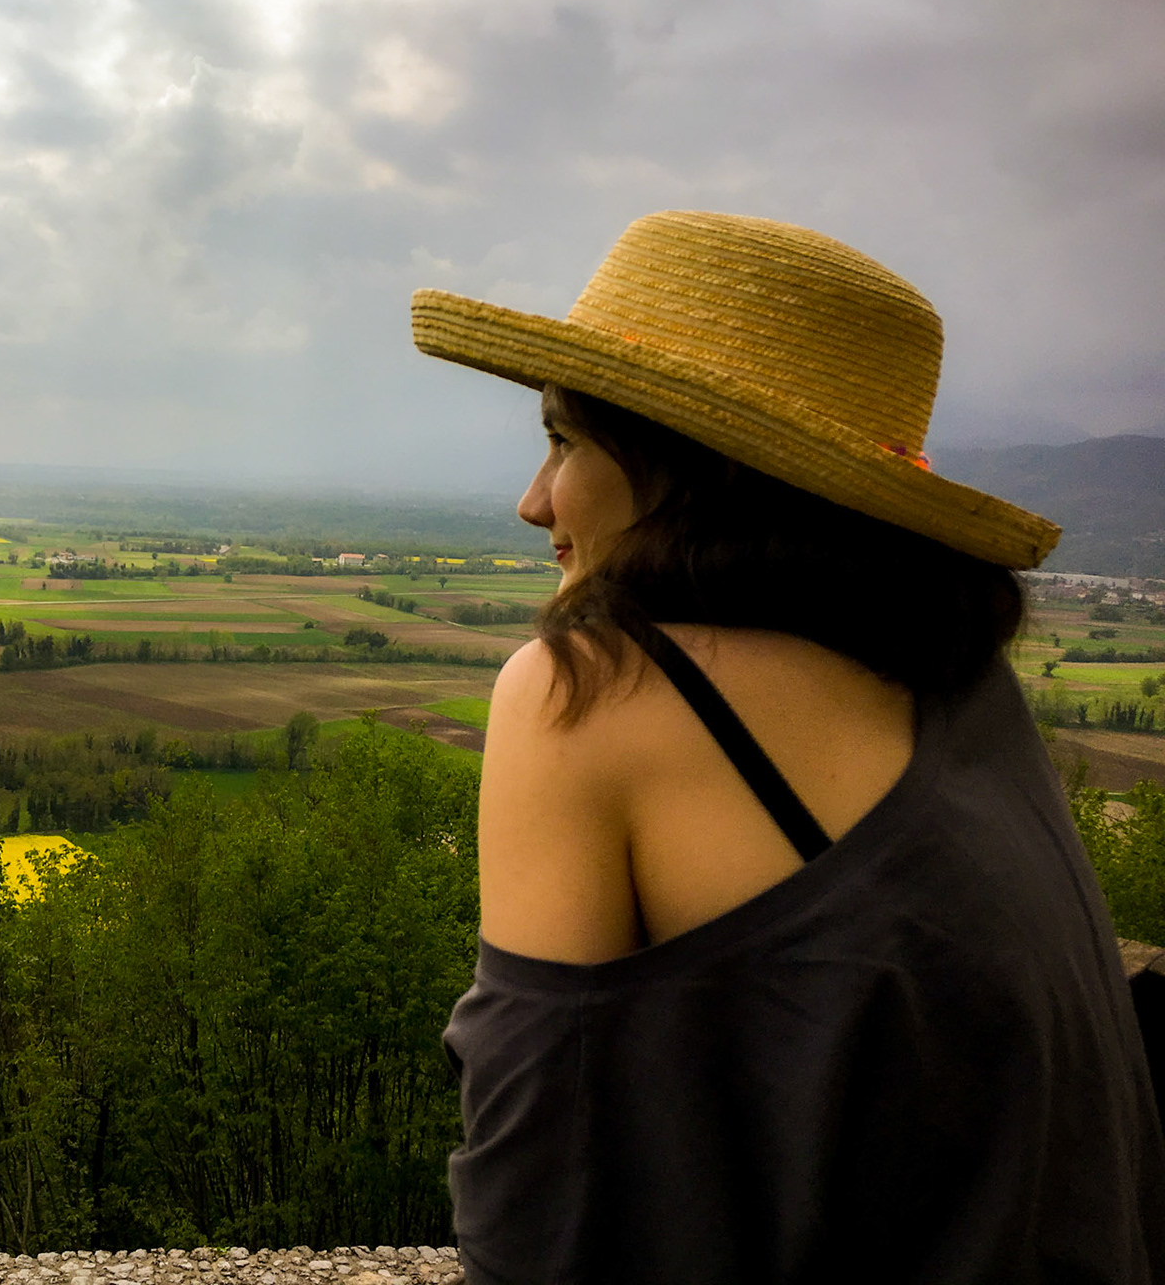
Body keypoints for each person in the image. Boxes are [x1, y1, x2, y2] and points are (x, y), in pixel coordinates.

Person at [411, 211, 1165, 1283]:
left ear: (684, 465)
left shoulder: (586, 689)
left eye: (565, 441)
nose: (533, 503)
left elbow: (539, 1195)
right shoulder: (962, 685)